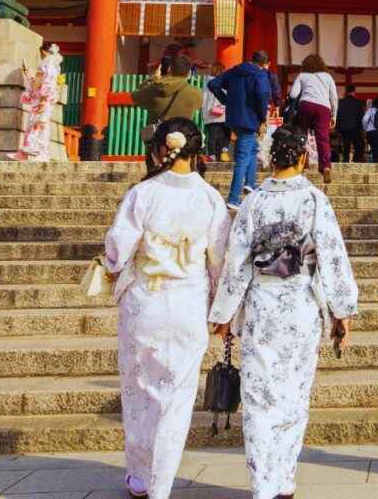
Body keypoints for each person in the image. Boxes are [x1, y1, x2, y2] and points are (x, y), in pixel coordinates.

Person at [210, 127, 359, 499]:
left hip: (262, 302)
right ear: (304, 158)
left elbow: (237, 262)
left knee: (259, 397)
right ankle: (285, 479)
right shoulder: (314, 199)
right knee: (294, 392)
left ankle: (262, 485)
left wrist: (225, 312)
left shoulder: (254, 201)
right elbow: (332, 256)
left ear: (269, 159)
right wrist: (341, 310)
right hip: (302, 305)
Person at [103, 117, 232, 499]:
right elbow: (220, 259)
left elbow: (117, 248)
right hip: (189, 302)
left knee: (138, 391)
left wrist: (112, 267)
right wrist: (221, 311)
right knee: (175, 399)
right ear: (197, 152)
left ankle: (141, 477)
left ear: (161, 149)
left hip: (144, 301)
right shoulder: (210, 198)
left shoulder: (143, 194)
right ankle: (161, 484)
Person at [207, 49, 271, 210]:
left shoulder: (235, 71)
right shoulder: (260, 74)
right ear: (264, 64)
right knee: (243, 156)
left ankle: (250, 183)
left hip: (234, 117)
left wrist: (227, 100)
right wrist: (263, 117)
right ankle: (233, 197)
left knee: (252, 148)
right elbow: (262, 94)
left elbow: (212, 84)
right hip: (250, 118)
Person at [131, 55, 203, 168]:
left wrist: (153, 78)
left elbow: (135, 96)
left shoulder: (152, 89)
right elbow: (198, 106)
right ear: (189, 73)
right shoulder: (195, 93)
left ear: (169, 69)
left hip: (157, 143)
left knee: (155, 176)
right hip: (183, 143)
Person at [8, 42, 63, 162]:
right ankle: (24, 152)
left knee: (40, 125)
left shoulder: (50, 64)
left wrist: (43, 100)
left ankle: (43, 152)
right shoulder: (46, 64)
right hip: (39, 100)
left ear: (47, 51)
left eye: (42, 52)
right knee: (33, 125)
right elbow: (37, 84)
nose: (41, 55)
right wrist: (27, 73)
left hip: (43, 100)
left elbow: (49, 82)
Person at [289, 54, 339, 183]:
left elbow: (293, 94)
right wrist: (334, 115)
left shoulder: (302, 76)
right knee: (323, 138)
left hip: (306, 105)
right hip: (323, 107)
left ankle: (302, 165)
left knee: (301, 135)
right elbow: (334, 97)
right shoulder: (327, 77)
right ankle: (326, 166)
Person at [201, 62, 231, 160]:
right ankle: (224, 152)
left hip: (210, 113)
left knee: (212, 137)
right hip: (223, 113)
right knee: (227, 133)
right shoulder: (223, 82)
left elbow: (203, 99)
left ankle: (212, 156)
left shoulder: (206, 83)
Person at [336, 85, 365, 163]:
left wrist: (337, 128)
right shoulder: (357, 102)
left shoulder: (341, 102)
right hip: (355, 128)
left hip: (344, 128)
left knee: (346, 145)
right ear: (353, 92)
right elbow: (361, 116)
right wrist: (362, 129)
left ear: (346, 92)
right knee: (358, 146)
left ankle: (345, 160)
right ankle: (355, 160)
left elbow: (337, 116)